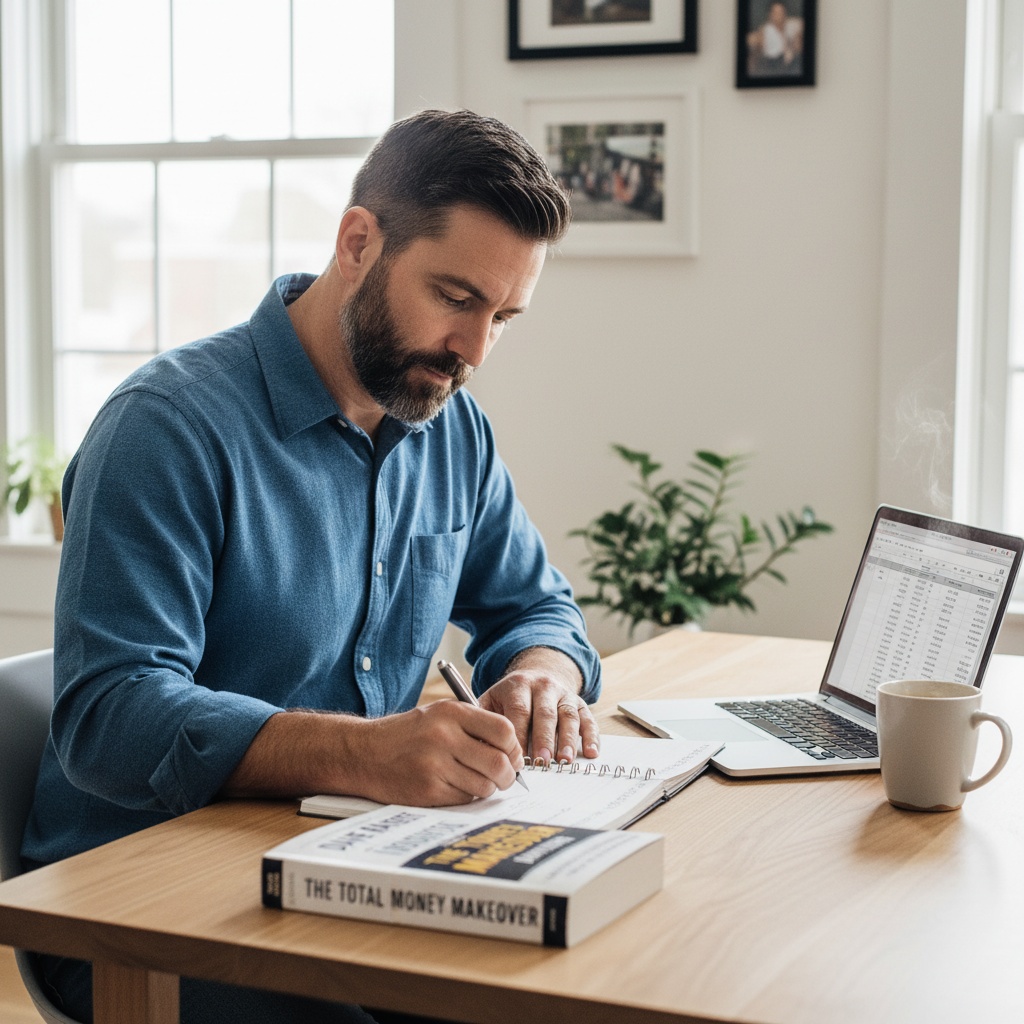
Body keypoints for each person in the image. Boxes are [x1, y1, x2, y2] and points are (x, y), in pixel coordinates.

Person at [22, 108, 603, 1023]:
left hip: (353, 858)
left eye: (504, 316)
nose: (475, 351)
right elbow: (108, 714)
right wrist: (363, 753)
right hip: (142, 901)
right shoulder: (166, 428)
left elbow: (539, 609)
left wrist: (543, 677)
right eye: (455, 298)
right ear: (358, 241)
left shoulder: (450, 430)